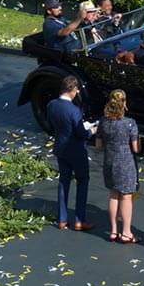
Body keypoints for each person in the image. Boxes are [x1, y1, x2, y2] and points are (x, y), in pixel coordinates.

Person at [48, 74, 93, 231]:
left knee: (63, 182)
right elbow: (81, 133)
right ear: (72, 89)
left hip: (61, 149)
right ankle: (80, 219)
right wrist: (92, 131)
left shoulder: (51, 105)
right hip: (76, 151)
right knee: (82, 181)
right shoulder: (74, 110)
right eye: (77, 90)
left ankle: (62, 218)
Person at [96, 89, 141, 243]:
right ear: (124, 103)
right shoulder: (130, 123)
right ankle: (126, 232)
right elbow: (135, 148)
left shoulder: (103, 122)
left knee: (113, 194)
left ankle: (114, 230)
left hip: (109, 161)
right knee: (126, 195)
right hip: (126, 163)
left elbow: (98, 146)